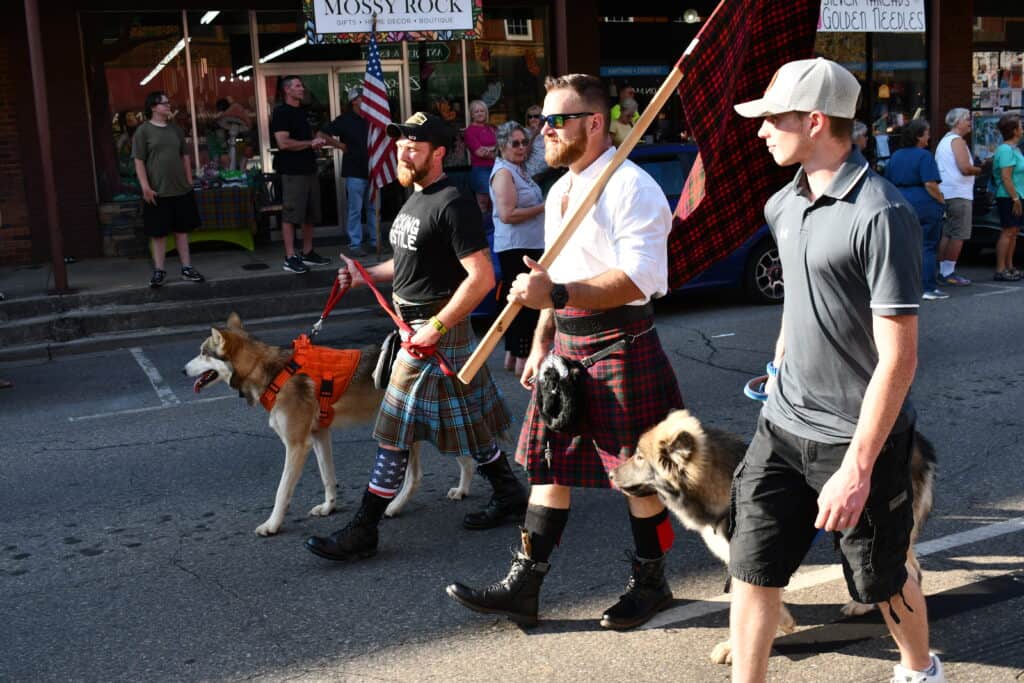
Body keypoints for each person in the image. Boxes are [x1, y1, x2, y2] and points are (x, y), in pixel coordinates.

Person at [446, 73, 684, 631]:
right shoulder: (560, 191)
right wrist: (541, 339)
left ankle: (653, 581)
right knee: (548, 468)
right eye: (541, 120)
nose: (543, 131)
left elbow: (641, 277)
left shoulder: (632, 187)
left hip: (622, 342)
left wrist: (555, 295)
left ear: (594, 123)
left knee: (638, 475)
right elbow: (549, 274)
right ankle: (524, 586)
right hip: (570, 344)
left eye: (556, 121)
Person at [731, 58, 943, 683]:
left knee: (881, 578)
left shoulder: (880, 214)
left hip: (856, 439)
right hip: (781, 425)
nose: (762, 130)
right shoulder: (782, 205)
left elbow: (899, 357)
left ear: (816, 120)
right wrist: (780, 361)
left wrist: (857, 466)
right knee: (752, 567)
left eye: (773, 118)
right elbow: (800, 299)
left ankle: (919, 670)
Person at [304, 112, 527, 562]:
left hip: (434, 333)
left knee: (392, 430)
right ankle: (509, 493)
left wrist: (437, 327)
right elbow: (406, 268)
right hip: (415, 329)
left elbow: (481, 278)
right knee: (471, 421)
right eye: (401, 143)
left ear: (438, 152)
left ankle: (364, 528)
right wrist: (363, 273)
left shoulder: (452, 202)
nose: (403, 150)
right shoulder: (415, 200)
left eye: (414, 145)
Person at [489, 121, 546, 376]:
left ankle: (513, 358)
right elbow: (507, 214)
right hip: (517, 247)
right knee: (524, 304)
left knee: (522, 303)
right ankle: (523, 360)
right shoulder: (503, 173)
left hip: (529, 243)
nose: (521, 147)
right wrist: (545, 207)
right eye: (515, 143)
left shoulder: (517, 169)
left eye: (524, 142)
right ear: (502, 145)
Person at [132, 91, 205, 288]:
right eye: (164, 104)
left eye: (168, 103)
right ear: (153, 107)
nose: (168, 106)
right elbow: (138, 161)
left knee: (182, 232)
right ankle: (159, 271)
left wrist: (189, 179)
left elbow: (185, 155)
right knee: (159, 234)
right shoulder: (143, 131)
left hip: (181, 189)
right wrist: (145, 187)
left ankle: (187, 268)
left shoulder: (175, 130)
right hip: (157, 191)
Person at [270, 75, 331, 274]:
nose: (302, 88)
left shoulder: (302, 112)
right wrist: (309, 144)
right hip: (292, 171)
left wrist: (319, 142)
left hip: (308, 168)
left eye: (301, 85)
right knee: (291, 214)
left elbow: (307, 139)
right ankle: (289, 256)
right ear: (287, 90)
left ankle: (307, 252)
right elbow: (283, 143)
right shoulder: (281, 113)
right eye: (297, 86)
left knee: (309, 214)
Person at [886, 119, 948, 300]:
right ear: (919, 136)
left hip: (900, 201)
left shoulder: (896, 156)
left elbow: (887, 181)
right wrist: (941, 201)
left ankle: (903, 286)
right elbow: (930, 183)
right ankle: (927, 287)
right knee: (927, 245)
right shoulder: (924, 156)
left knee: (904, 246)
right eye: (926, 132)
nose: (929, 136)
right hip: (924, 202)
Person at [320, 87, 378, 257]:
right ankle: (355, 244)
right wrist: (339, 145)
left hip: (373, 170)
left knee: (373, 208)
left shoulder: (372, 119)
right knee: (356, 209)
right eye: (363, 98)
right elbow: (322, 133)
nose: (366, 101)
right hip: (354, 170)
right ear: (354, 101)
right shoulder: (345, 120)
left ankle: (375, 241)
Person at [935, 108, 981, 286]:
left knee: (948, 232)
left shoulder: (945, 141)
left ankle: (943, 270)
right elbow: (965, 168)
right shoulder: (957, 141)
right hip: (958, 193)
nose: (970, 122)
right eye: (967, 119)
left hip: (947, 192)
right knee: (959, 234)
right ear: (957, 122)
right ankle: (949, 272)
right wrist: (980, 168)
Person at [991, 113, 1024, 281]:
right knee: (1008, 231)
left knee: (1014, 231)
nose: (1022, 128)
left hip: (1017, 195)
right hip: (1008, 196)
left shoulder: (1014, 148)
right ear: (1014, 130)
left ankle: (1010, 266)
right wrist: (1015, 198)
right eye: (1020, 125)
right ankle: (1001, 268)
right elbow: (1006, 176)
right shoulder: (1005, 149)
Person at [464, 99, 497, 214]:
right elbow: (479, 153)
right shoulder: (469, 131)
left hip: (496, 169)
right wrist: (494, 149)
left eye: (482, 111)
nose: (479, 113)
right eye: (476, 111)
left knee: (496, 203)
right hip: (481, 170)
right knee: (483, 204)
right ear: (472, 115)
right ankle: (483, 231)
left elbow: (501, 147)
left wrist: (488, 149)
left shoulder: (491, 129)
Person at [523, 104, 550, 180]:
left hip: (550, 173)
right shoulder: (524, 132)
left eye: (536, 116)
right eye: (530, 117)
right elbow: (524, 156)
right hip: (532, 176)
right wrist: (534, 135)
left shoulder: (548, 130)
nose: (532, 119)